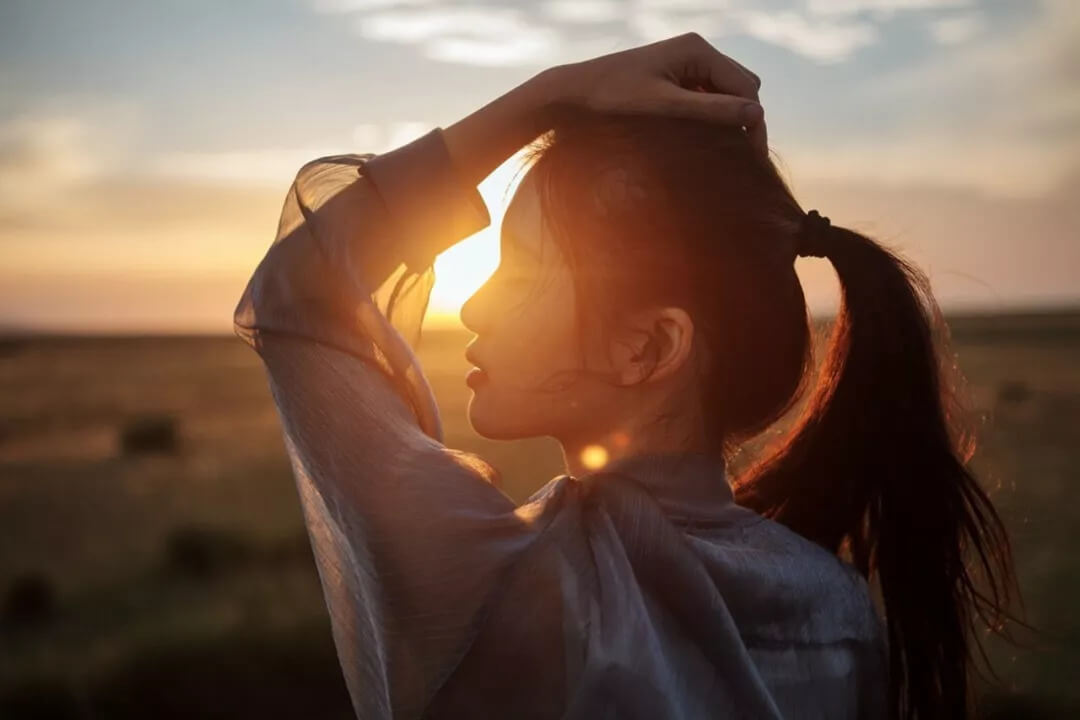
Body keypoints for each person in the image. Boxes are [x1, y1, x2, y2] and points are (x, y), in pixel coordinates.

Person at [234, 33, 1017, 719]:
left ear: (648, 348)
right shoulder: (835, 610)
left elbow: (296, 298)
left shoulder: (503, 586)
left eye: (519, 274)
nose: (472, 306)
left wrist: (552, 93)